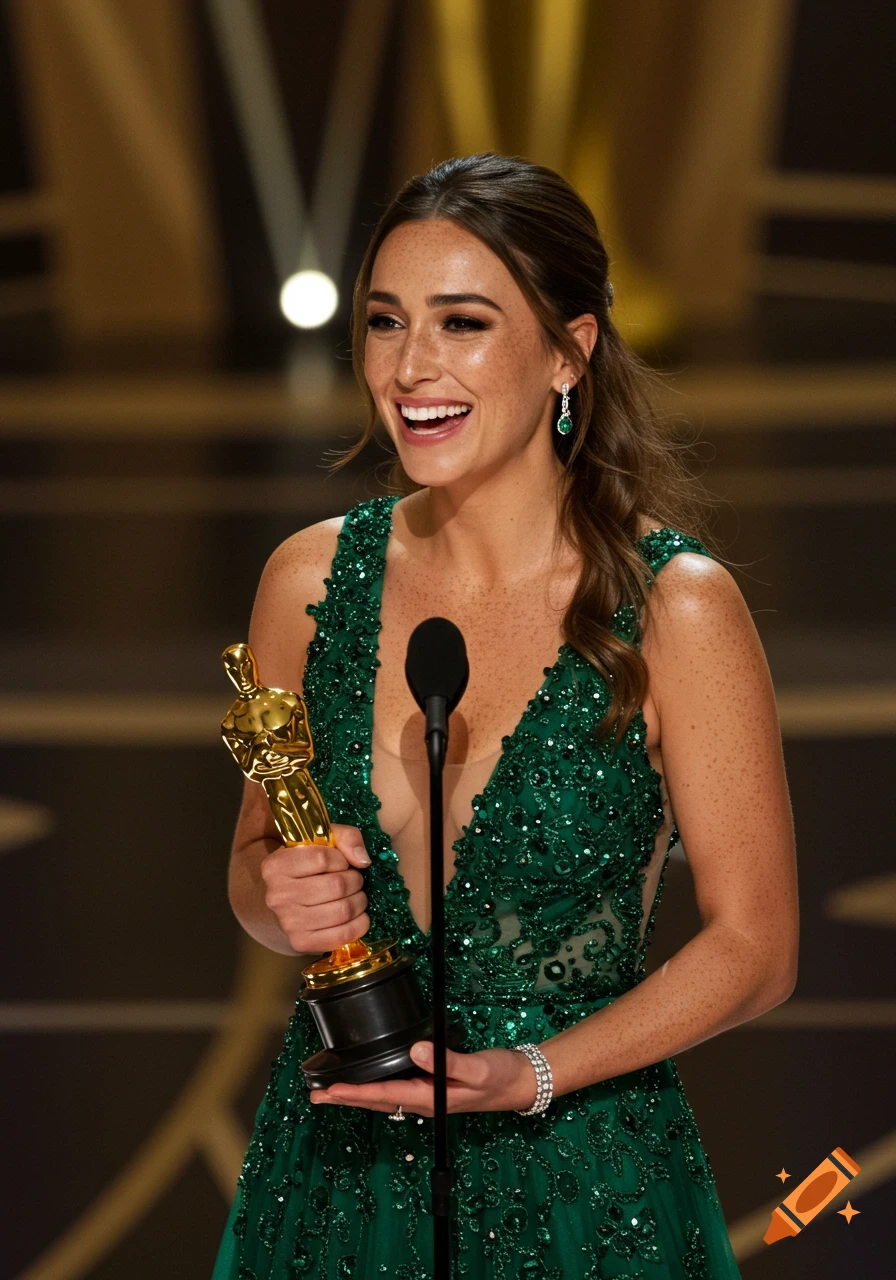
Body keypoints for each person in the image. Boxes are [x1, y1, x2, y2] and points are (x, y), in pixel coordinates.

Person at [212, 152, 798, 1279]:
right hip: (335, 1175)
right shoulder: (305, 582)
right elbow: (255, 870)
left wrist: (527, 1070)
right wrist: (274, 894)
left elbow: (754, 946)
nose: (409, 366)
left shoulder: (674, 609)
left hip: (582, 1180)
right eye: (384, 322)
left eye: (462, 322)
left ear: (569, 347)